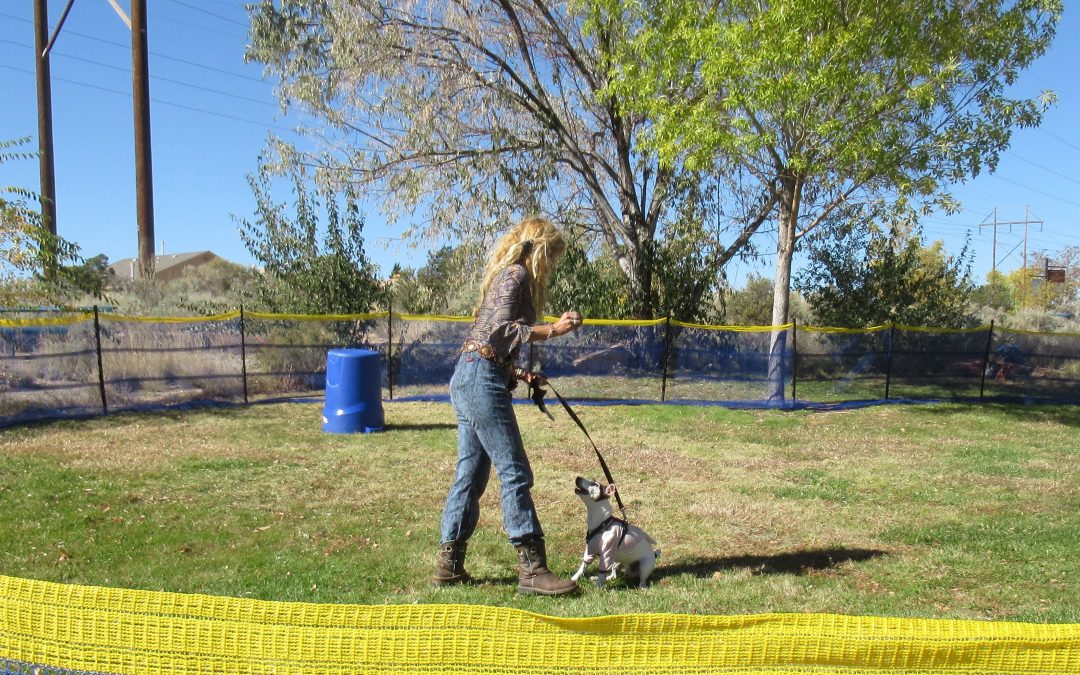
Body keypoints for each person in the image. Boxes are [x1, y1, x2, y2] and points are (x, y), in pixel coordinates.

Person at [433, 215, 584, 596]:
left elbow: (490, 342)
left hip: (471, 376)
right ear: (539, 250)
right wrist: (554, 330)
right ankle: (532, 570)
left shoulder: (508, 277)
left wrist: (521, 374)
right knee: (514, 470)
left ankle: (448, 563)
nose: (550, 268)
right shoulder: (516, 276)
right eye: (551, 258)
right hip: (479, 380)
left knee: (471, 474)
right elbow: (502, 331)